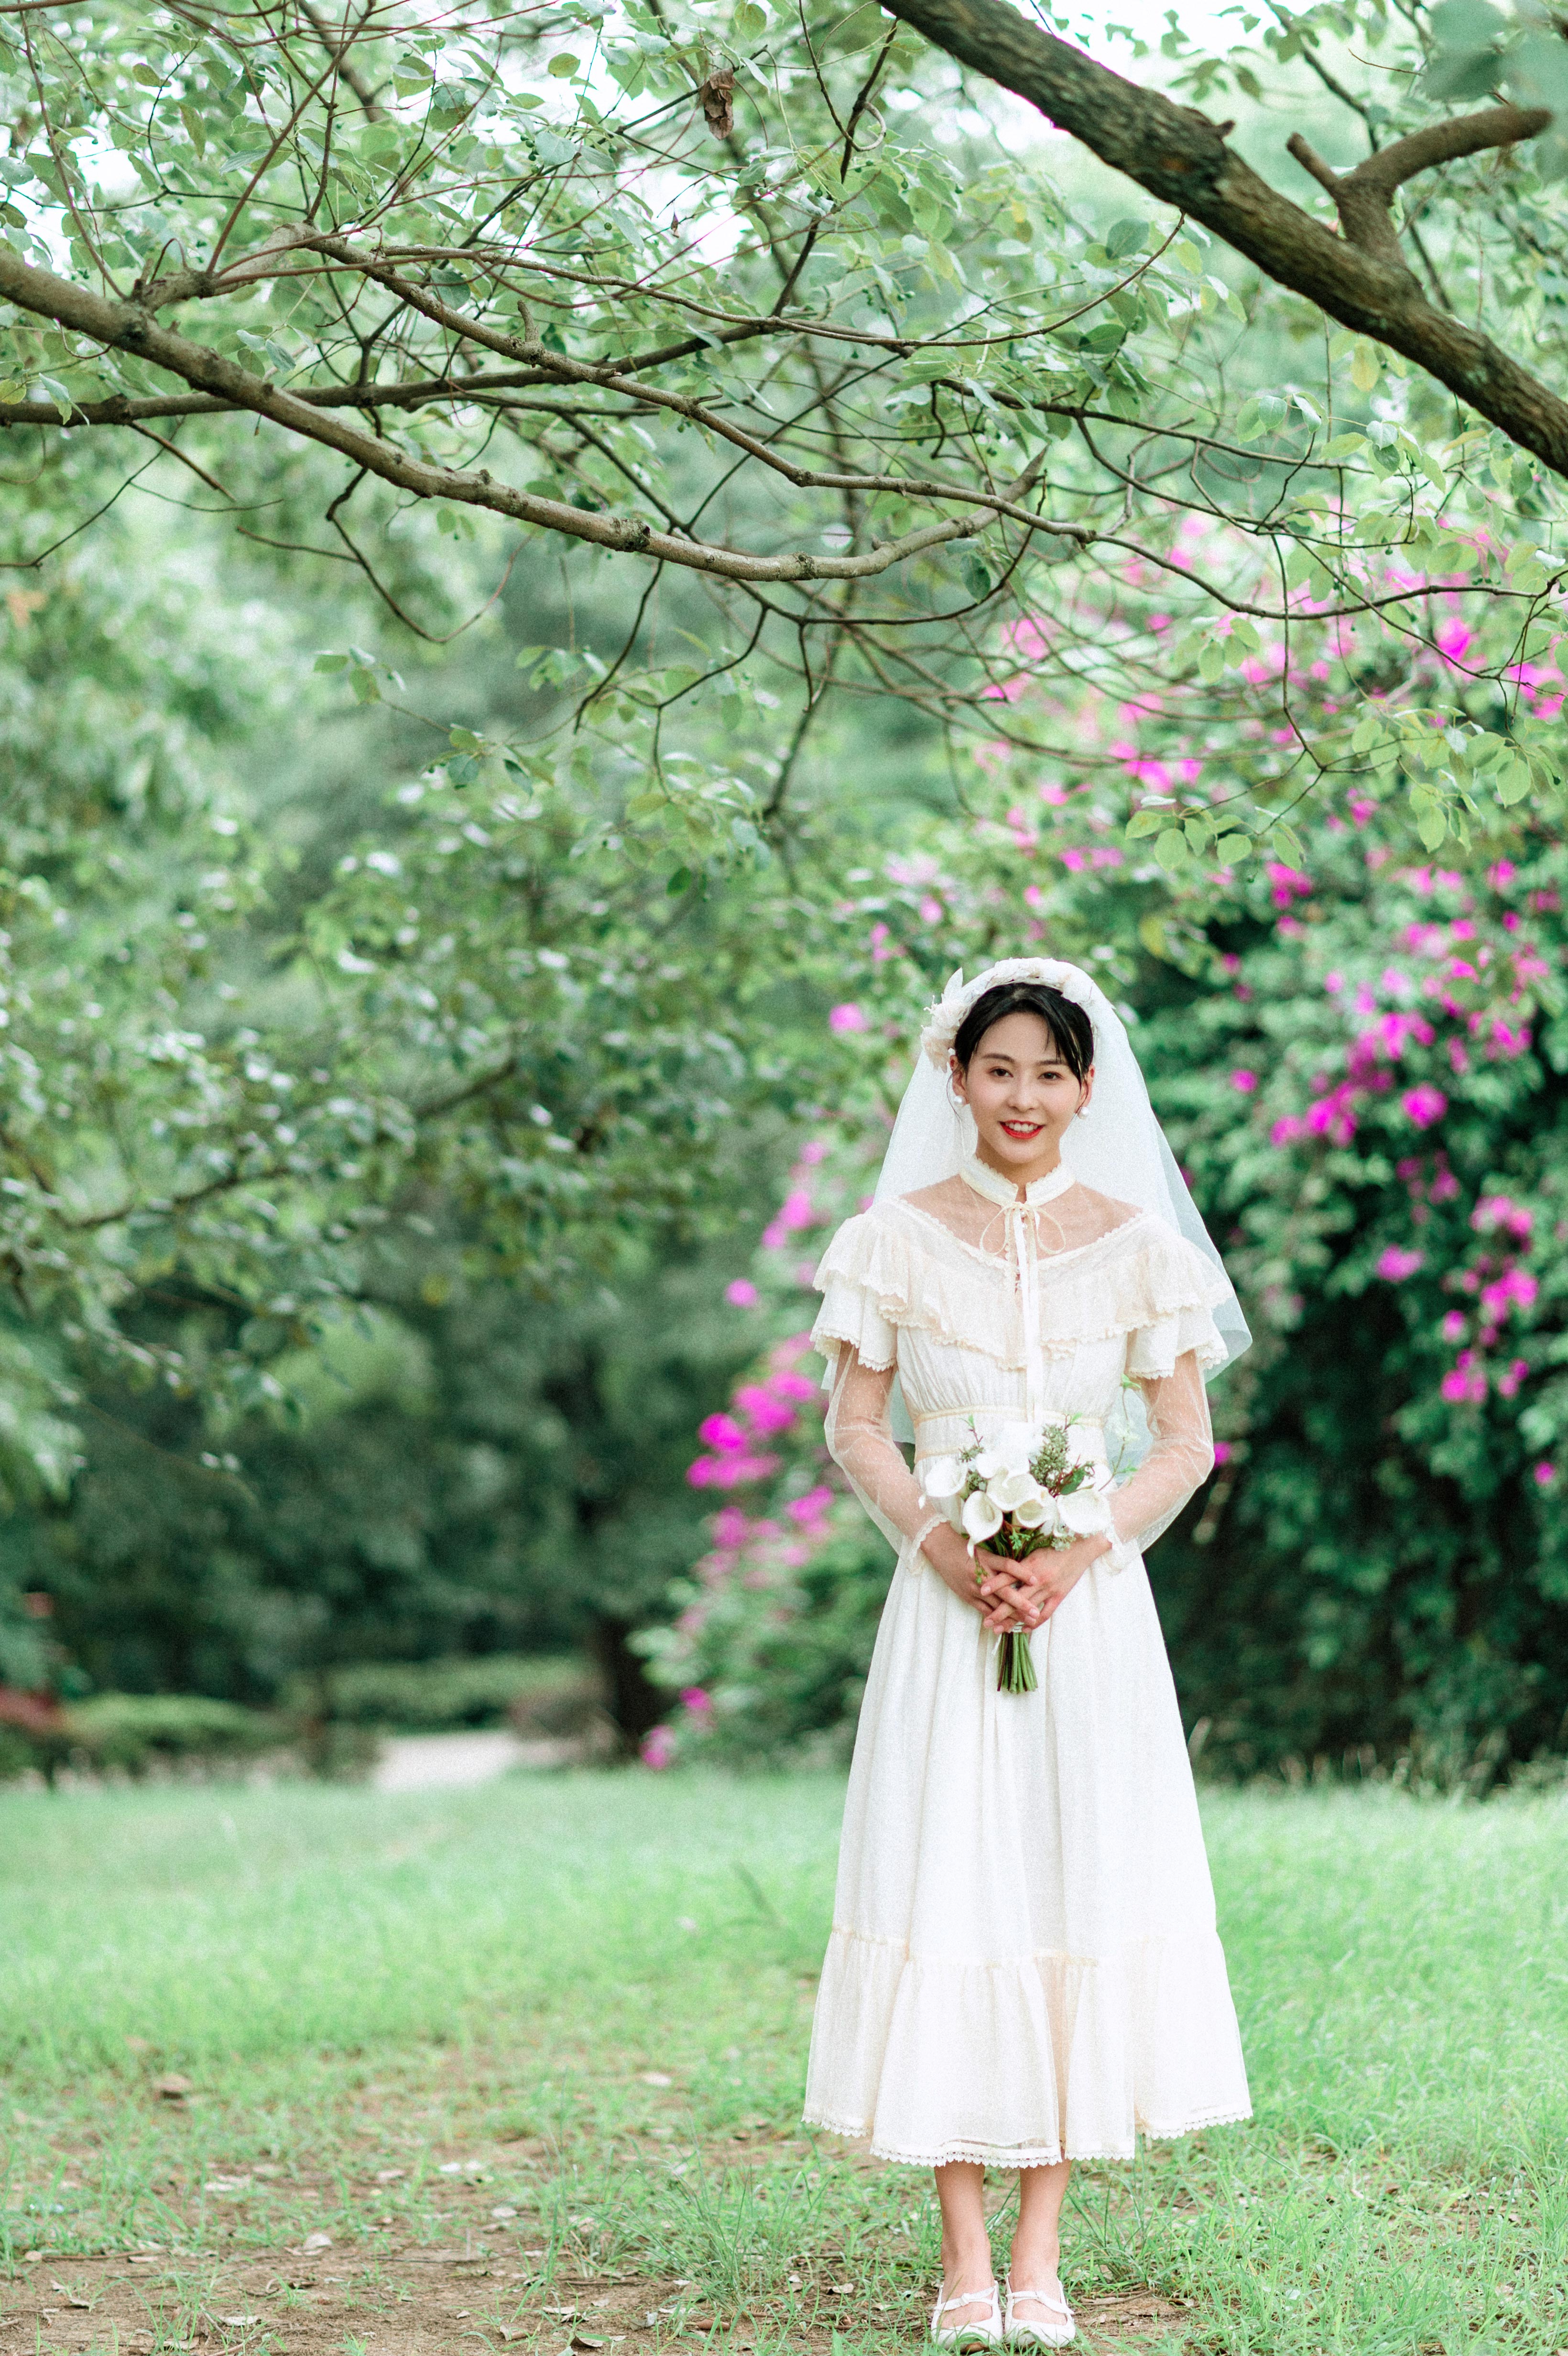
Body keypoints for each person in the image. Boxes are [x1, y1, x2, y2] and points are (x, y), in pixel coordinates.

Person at [801, 958, 1252, 2350]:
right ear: (957, 1077)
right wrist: (945, 1546)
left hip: (1087, 1617)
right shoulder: (891, 1240)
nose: (1023, 1097)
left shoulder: (1138, 1246)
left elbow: (1182, 1443)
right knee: (949, 1882)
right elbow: (856, 1424)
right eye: (998, 1070)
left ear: (1085, 1088)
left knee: (1072, 1882)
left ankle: (1041, 2258)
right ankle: (960, 2259)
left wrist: (1074, 1551)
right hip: (947, 1615)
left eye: (1049, 1074)